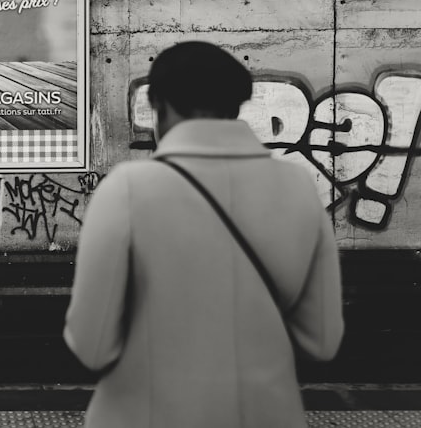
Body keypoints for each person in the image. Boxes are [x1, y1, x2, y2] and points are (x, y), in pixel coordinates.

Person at [64, 41, 344, 427]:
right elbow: (323, 341)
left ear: (158, 103)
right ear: (236, 103)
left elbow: (92, 347)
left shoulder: (128, 188)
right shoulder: (297, 186)